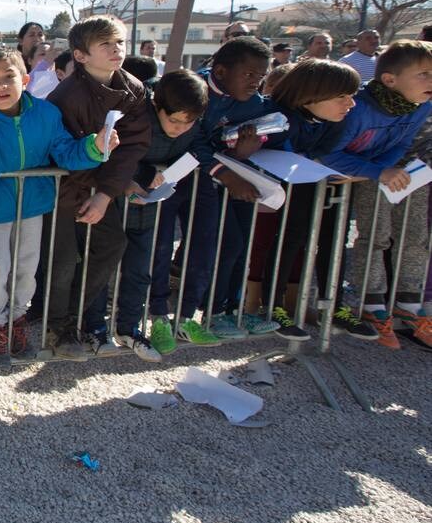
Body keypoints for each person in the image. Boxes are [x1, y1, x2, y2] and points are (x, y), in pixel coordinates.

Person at [0, 49, 118, 363]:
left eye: (8, 77)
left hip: (34, 206)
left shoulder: (46, 114)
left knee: (27, 270)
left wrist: (95, 147)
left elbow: (66, 153)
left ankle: (16, 321)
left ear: (26, 79)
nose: (0, 85)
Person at [44, 16, 152, 358]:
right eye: (105, 44)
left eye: (119, 41)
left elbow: (134, 144)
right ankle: (57, 326)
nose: (116, 49)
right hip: (63, 189)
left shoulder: (134, 88)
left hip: (100, 188)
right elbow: (60, 152)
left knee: (110, 245)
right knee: (61, 262)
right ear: (81, 55)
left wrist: (104, 195)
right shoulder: (67, 95)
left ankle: (70, 317)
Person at [322, 41, 432, 348]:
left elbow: (402, 141)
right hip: (365, 174)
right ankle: (372, 306)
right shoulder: (357, 108)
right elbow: (328, 153)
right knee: (375, 236)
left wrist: (391, 169)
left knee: (416, 236)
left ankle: (409, 307)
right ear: (390, 79)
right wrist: (378, 172)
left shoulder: (423, 105)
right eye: (423, 74)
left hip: (403, 174)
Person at [245, 60, 359, 340]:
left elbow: (323, 152)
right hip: (267, 193)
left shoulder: (334, 122)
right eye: (342, 97)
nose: (351, 104)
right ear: (311, 94)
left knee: (327, 241)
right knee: (281, 241)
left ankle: (331, 306)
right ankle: (270, 306)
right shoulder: (273, 117)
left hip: (309, 185)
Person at [176, 36, 276, 342]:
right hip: (201, 181)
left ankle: (235, 308)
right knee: (223, 244)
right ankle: (212, 311)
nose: (255, 84)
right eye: (249, 75)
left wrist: (248, 149)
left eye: (261, 77)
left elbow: (267, 128)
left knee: (242, 242)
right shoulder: (194, 91)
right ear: (220, 72)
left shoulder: (254, 102)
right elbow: (191, 140)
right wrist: (227, 170)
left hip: (239, 178)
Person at [117, 70, 209, 356]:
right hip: (116, 204)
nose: (180, 127)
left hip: (152, 204)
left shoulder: (192, 125)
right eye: (174, 120)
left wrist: (168, 172)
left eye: (188, 122)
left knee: (141, 269)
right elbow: (118, 153)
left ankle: (129, 328)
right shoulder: (136, 118)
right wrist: (146, 172)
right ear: (157, 106)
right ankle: (94, 328)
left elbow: (198, 149)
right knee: (103, 268)